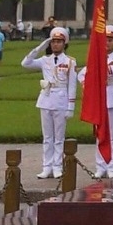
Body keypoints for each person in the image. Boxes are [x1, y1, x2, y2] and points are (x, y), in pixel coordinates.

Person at [23, 26, 78, 180]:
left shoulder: (69, 62)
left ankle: (57, 166)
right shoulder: (44, 60)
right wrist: (40, 46)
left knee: (59, 137)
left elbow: (72, 85)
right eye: (53, 41)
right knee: (47, 137)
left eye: (59, 42)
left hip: (61, 99)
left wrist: (70, 106)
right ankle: (46, 166)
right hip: (46, 99)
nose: (55, 45)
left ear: (64, 43)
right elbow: (25, 63)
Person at [78, 25, 113, 179]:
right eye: (105, 39)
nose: (107, 42)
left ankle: (111, 165)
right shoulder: (95, 58)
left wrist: (100, 69)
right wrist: (88, 85)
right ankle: (100, 166)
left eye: (111, 40)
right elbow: (81, 75)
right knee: (100, 134)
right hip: (99, 98)